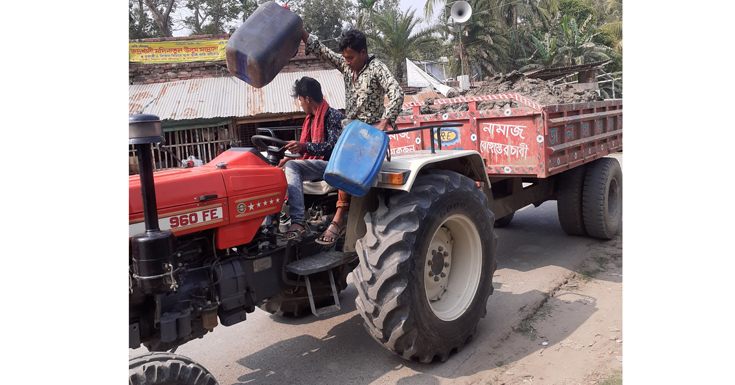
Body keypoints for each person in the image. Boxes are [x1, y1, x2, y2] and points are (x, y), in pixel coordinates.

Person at [301, 27, 404, 245]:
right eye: (345, 58)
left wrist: (385, 121)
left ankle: (338, 220)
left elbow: (397, 92)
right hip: (351, 132)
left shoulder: (376, 68)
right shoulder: (348, 68)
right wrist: (302, 33)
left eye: (350, 57)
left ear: (363, 53)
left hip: (369, 136)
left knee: (344, 167)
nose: (346, 62)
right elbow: (324, 52)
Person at [280, 77, 345, 240]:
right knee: (278, 170)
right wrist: (289, 157)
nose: (300, 104)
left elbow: (331, 146)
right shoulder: (310, 121)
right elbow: (305, 151)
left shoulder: (333, 116)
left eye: (300, 100)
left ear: (307, 99)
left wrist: (304, 147)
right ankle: (276, 221)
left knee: (292, 167)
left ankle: (298, 220)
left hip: (331, 165)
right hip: (316, 164)